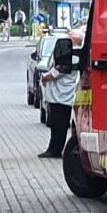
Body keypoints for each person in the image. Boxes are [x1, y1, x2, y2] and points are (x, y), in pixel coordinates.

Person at [37, 29, 82, 158]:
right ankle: (52, 148)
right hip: (57, 96)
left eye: (69, 37)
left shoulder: (73, 56)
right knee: (54, 124)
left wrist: (45, 77)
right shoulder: (67, 53)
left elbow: (59, 71)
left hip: (62, 97)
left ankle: (55, 150)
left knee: (59, 125)